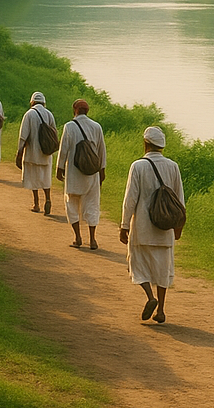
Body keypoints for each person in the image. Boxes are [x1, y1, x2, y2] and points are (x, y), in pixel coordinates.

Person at [119, 126, 184, 324]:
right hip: (165, 230)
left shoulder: (138, 166)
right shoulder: (173, 166)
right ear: (161, 146)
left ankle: (150, 297)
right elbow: (179, 199)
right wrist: (178, 226)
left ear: (145, 143)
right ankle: (162, 310)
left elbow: (130, 198)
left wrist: (124, 225)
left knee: (138, 266)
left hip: (142, 228)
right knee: (163, 270)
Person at [56, 99, 107, 249]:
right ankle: (92, 239)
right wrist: (102, 171)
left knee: (71, 203)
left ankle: (77, 237)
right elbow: (101, 151)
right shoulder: (96, 127)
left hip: (74, 173)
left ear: (75, 110)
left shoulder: (69, 127)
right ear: (87, 111)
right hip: (92, 174)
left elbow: (63, 149)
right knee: (92, 205)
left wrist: (59, 169)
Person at [15, 92, 58, 214]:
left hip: (32, 153)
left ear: (32, 102)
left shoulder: (29, 114)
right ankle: (48, 199)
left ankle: (36, 203)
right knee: (45, 178)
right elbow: (54, 132)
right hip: (46, 153)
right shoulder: (49, 114)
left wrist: (19, 152)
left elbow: (23, 136)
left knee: (33, 178)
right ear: (44, 102)